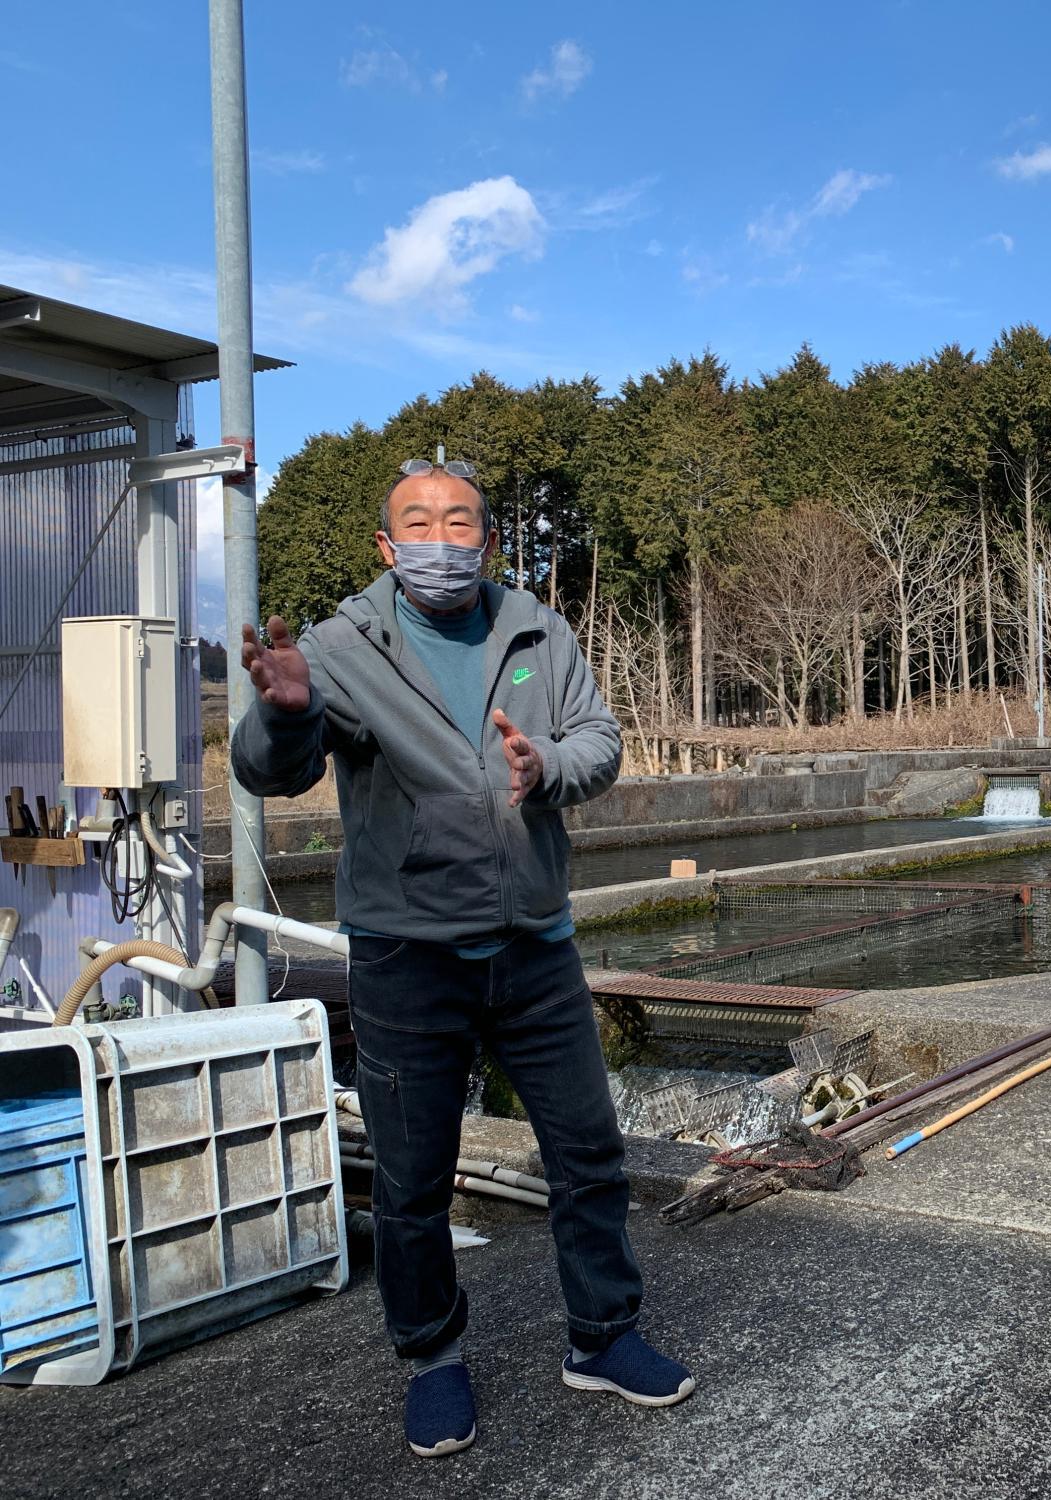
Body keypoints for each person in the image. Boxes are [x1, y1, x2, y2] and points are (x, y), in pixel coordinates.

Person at [233, 457, 693, 1459]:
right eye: (418, 523)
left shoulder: (534, 627)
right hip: (407, 957)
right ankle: (431, 1358)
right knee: (410, 1180)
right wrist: (283, 710)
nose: (440, 541)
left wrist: (547, 765)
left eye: (459, 523)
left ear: (486, 539)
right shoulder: (341, 646)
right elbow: (277, 768)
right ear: (386, 546)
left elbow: (599, 741)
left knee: (587, 1155)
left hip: (534, 944)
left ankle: (603, 1336)